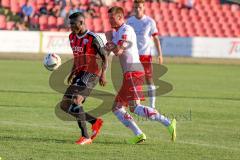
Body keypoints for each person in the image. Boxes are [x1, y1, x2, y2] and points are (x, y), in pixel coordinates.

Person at [105, 6, 176, 144]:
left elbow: (118, 51)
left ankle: (168, 122)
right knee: (117, 107)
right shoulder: (118, 31)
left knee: (135, 107)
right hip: (129, 73)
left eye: (112, 18)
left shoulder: (126, 30)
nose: (109, 21)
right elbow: (110, 49)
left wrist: (109, 41)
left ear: (120, 17)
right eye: (109, 18)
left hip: (134, 72)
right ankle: (139, 133)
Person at [60, 12, 108, 145]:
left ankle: (85, 136)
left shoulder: (93, 37)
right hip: (80, 73)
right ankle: (94, 121)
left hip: (92, 73)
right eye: (70, 23)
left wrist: (103, 74)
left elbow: (105, 57)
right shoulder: (71, 37)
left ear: (81, 23)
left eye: (73, 24)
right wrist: (71, 73)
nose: (70, 26)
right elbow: (77, 57)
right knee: (64, 105)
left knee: (76, 100)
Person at [127, 0, 163, 109]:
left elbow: (156, 39)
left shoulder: (149, 22)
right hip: (133, 55)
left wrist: (160, 54)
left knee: (148, 79)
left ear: (144, 8)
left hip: (145, 55)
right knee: (133, 79)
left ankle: (152, 105)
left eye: (139, 7)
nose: (137, 9)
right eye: (136, 7)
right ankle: (136, 103)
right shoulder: (129, 22)